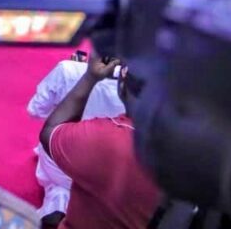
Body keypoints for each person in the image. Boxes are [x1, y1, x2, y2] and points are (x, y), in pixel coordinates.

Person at [39, 54, 160, 229]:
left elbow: (50, 132)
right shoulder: (203, 159)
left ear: (123, 79)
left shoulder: (104, 139)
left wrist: (90, 77)